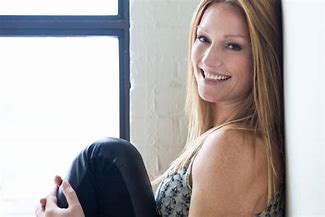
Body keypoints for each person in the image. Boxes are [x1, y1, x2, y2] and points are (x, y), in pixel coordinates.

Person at [35, 0, 285, 216]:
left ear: (261, 57)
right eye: (203, 39)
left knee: (107, 155)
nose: (208, 59)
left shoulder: (235, 147)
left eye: (233, 45)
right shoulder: (225, 140)